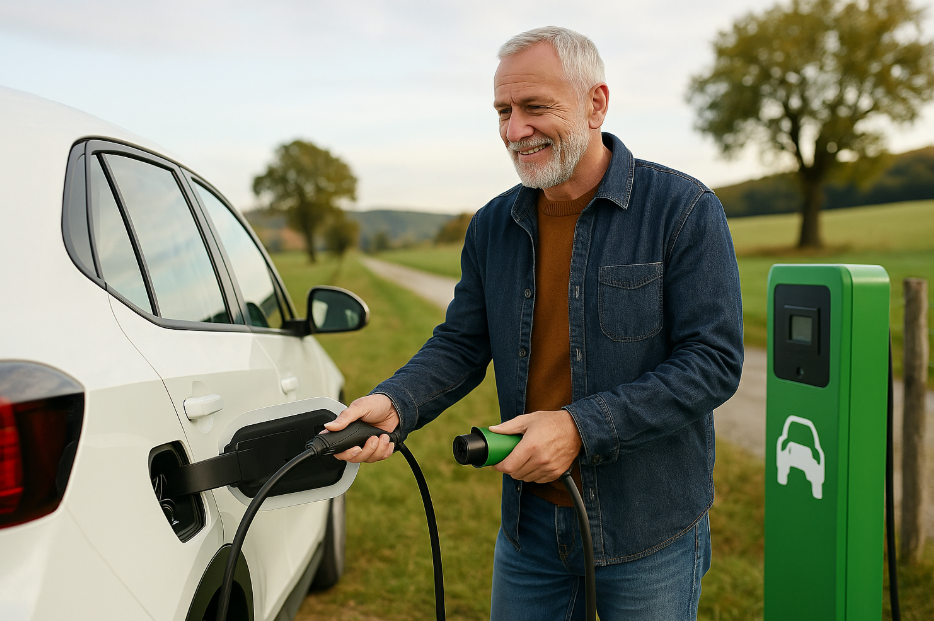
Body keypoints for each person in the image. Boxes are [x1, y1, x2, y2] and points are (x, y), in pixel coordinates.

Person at [325, 26, 743, 620]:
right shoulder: (493, 225)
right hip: (530, 532)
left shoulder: (683, 209)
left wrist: (579, 428)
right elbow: (463, 343)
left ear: (596, 103)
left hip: (648, 529)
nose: (514, 130)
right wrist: (397, 402)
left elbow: (713, 363)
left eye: (535, 107)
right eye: (503, 110)